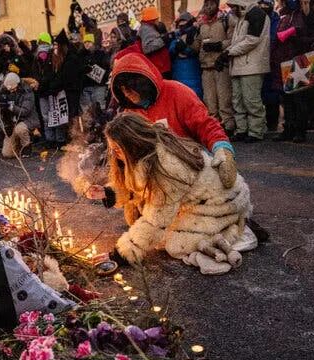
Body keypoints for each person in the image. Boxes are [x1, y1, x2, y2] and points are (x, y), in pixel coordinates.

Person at [86, 113, 251, 269]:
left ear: (132, 144)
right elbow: (142, 188)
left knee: (174, 244)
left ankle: (233, 226)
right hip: (202, 200)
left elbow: (156, 220)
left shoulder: (167, 167)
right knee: (161, 234)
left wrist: (122, 253)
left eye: (117, 149)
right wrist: (109, 192)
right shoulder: (149, 152)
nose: (114, 154)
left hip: (222, 203)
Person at [110, 52, 237, 199]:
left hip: (187, 165)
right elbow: (125, 155)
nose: (126, 95)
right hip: (153, 176)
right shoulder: (129, 112)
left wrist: (222, 149)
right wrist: (113, 189)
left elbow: (205, 124)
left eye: (129, 89)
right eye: (122, 90)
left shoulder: (178, 93)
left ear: (141, 83)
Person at [271, 0, 314, 142]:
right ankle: (289, 128)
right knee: (287, 98)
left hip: (301, 61)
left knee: (300, 98)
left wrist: (295, 34)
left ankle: (300, 130)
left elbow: (313, 37)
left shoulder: (308, 15)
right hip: (284, 61)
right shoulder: (285, 15)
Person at [219, 0, 270, 143]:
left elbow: (252, 41)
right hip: (241, 64)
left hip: (251, 65)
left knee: (251, 100)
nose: (231, 9)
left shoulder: (256, 14)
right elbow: (241, 41)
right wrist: (228, 52)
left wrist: (229, 52)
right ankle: (242, 129)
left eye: (233, 6)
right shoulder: (244, 16)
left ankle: (256, 131)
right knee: (238, 100)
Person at [192, 0, 237, 135]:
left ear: (216, 5)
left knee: (224, 98)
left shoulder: (225, 20)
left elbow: (233, 40)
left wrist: (219, 46)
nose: (208, 7)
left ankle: (228, 125)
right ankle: (214, 126)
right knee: (209, 100)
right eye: (206, 4)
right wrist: (190, 37)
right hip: (206, 67)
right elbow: (196, 46)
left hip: (221, 65)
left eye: (211, 4)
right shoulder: (202, 25)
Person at [0, 72, 40, 158]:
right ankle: (18, 146)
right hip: (12, 122)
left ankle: (27, 146)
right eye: (10, 90)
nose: (12, 91)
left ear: (18, 84)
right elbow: (0, 112)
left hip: (27, 120)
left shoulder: (27, 91)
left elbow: (25, 111)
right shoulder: (4, 92)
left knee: (20, 129)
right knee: (7, 154)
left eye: (13, 89)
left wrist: (11, 107)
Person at [258, 0, 282, 133]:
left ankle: (272, 123)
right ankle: (264, 123)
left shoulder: (276, 19)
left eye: (265, 5)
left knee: (272, 93)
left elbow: (274, 38)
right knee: (261, 93)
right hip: (260, 60)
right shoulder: (257, 18)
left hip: (272, 61)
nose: (263, 7)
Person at [169, 12, 203, 98]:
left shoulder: (196, 35)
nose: (182, 27)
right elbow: (171, 50)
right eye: (180, 25)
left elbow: (197, 49)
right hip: (180, 72)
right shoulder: (176, 37)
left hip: (193, 70)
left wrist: (184, 49)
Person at [138, 7, 172, 78]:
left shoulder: (150, 27)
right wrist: (163, 40)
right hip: (159, 67)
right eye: (157, 18)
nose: (158, 20)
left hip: (160, 67)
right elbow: (147, 48)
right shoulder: (146, 29)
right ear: (152, 19)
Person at [79, 33, 111, 111]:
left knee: (100, 109)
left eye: (89, 42)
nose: (87, 44)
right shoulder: (81, 55)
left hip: (98, 86)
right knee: (87, 111)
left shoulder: (101, 54)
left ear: (93, 43)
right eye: (85, 42)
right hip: (86, 86)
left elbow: (106, 67)